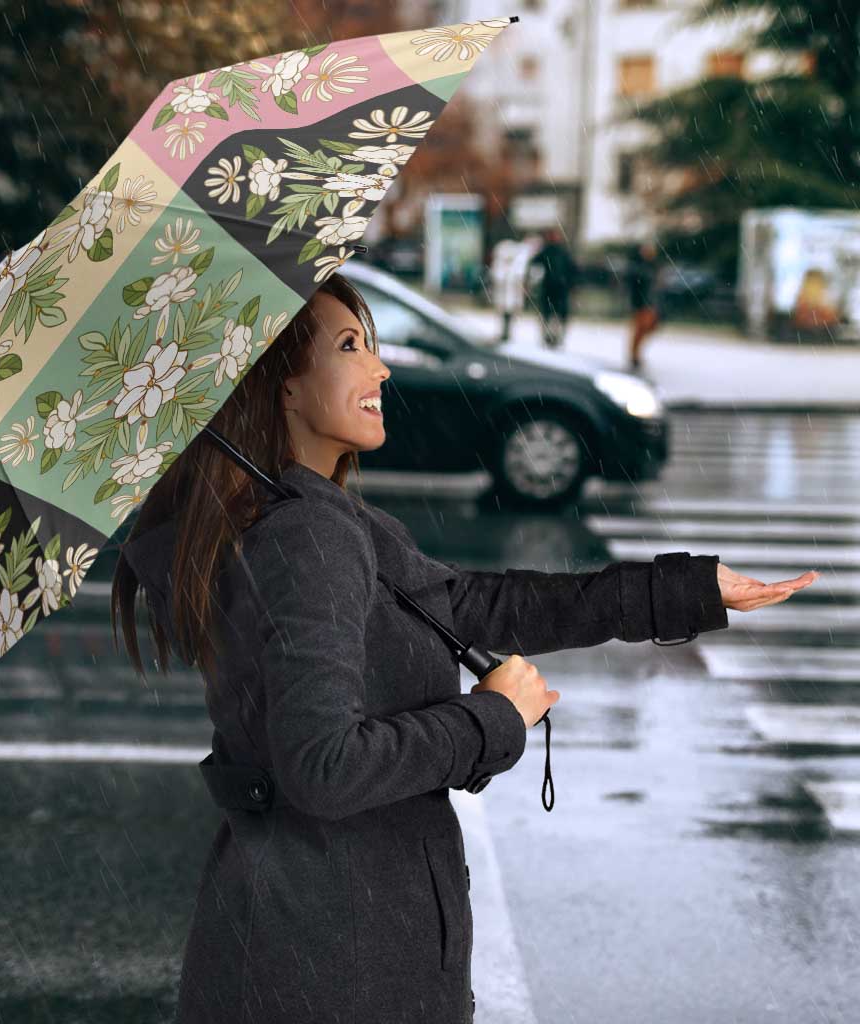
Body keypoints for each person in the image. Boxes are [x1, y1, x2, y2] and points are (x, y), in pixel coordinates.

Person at [112, 272, 817, 1024]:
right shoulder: (305, 536)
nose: (380, 368)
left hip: (317, 943)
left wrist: (685, 590)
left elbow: (480, 605)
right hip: (332, 962)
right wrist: (491, 719)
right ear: (281, 387)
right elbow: (323, 767)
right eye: (350, 346)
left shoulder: (315, 519)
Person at [528, 226, 578, 349]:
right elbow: (534, 264)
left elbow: (572, 270)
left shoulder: (561, 252)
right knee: (549, 314)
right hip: (551, 288)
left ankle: (555, 337)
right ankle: (549, 337)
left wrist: (571, 284)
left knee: (556, 315)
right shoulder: (548, 251)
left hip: (559, 288)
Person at [626, 239, 662, 371]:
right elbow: (635, 286)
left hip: (650, 303)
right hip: (641, 303)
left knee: (648, 328)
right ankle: (634, 355)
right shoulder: (638, 267)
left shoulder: (653, 266)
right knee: (640, 329)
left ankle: (636, 354)